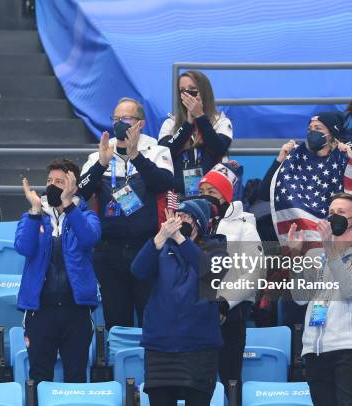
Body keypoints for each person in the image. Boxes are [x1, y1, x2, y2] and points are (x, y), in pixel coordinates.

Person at [78, 98, 174, 330]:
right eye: (116, 119)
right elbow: (79, 192)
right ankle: (120, 364)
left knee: (149, 318)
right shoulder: (101, 151)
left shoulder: (157, 150)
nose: (120, 123)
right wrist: (101, 164)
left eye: (126, 119)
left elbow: (164, 183)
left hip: (146, 247)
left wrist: (136, 156)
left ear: (140, 123)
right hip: (109, 250)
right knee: (116, 321)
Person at [288, 192, 352, 406]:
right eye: (330, 212)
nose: (333, 217)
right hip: (314, 348)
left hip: (347, 348)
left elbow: (350, 290)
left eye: (341, 212)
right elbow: (300, 297)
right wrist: (294, 256)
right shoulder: (313, 255)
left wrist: (330, 250)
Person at [131, 200, 226, 406]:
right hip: (160, 348)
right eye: (176, 216)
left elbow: (211, 273)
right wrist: (160, 237)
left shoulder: (215, 247)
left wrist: (182, 241)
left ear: (198, 223)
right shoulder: (161, 247)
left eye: (185, 217)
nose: (178, 221)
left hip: (199, 348)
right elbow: (137, 271)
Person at [15, 159, 101, 385]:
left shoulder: (86, 215)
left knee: (76, 377)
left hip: (77, 310)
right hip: (40, 310)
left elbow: (90, 238)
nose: (52, 185)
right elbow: (23, 247)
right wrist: (34, 212)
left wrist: (69, 206)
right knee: (39, 377)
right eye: (49, 181)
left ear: (72, 185)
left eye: (60, 181)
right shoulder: (33, 215)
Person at [197, 162, 263, 405]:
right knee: (198, 382)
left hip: (229, 316)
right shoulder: (193, 224)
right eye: (202, 191)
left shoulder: (245, 227)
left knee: (230, 378)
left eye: (212, 192)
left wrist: (225, 302)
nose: (205, 197)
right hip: (196, 313)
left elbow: (254, 272)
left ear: (226, 196)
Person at [158, 70, 233, 198]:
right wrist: (188, 123)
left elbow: (219, 149)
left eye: (192, 89)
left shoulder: (221, 121)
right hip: (178, 198)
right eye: (182, 90)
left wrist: (200, 116)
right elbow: (166, 152)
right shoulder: (170, 123)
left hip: (211, 195)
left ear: (204, 92)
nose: (187, 94)